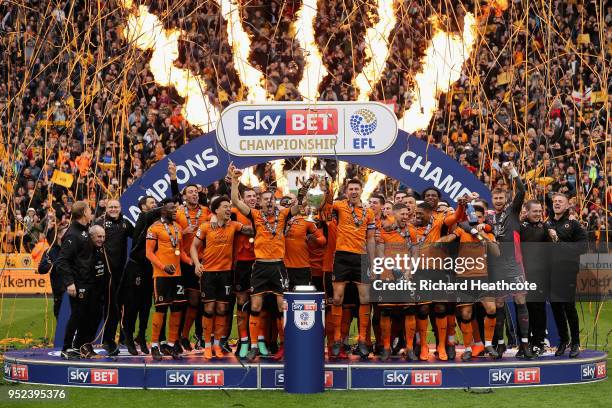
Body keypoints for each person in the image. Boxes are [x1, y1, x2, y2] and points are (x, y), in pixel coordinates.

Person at [229, 162, 301, 361]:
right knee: (256, 305)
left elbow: (300, 207)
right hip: (260, 265)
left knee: (281, 307)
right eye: (265, 199)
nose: (269, 202)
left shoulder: (284, 214)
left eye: (272, 199)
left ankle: (285, 346)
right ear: (260, 202)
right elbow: (235, 200)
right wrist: (235, 181)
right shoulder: (255, 215)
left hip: (278, 265)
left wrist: (303, 191)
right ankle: (253, 346)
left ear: (276, 201)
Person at [122, 161, 179, 355]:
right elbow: (171, 204)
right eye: (152, 203)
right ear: (143, 207)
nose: (155, 206)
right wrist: (169, 200)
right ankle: (128, 337)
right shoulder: (143, 218)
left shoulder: (158, 222)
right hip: (136, 267)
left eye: (156, 203)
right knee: (132, 305)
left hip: (152, 268)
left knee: (147, 306)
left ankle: (142, 337)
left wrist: (173, 178)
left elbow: (173, 202)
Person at [191, 195, 252, 359]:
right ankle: (207, 345)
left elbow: (252, 229)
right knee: (209, 309)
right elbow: (194, 247)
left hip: (226, 273)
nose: (228, 209)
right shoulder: (205, 226)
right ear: (216, 210)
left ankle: (218, 345)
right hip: (208, 273)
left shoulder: (234, 225)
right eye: (225, 206)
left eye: (229, 206)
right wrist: (197, 264)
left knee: (222, 309)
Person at [490, 162, 534, 359]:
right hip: (496, 267)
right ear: (491, 200)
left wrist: (513, 172)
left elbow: (522, 191)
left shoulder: (512, 211)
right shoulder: (489, 218)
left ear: (506, 199)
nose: (498, 200)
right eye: (495, 198)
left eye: (501, 197)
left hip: (515, 264)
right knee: (499, 304)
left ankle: (524, 345)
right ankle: (500, 344)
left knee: (520, 299)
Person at [329, 179, 377, 360]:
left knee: (365, 298)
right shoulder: (339, 206)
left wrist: (371, 262)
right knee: (337, 298)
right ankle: (336, 341)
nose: (354, 191)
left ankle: (363, 340)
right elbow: (324, 208)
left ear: (362, 190)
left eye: (357, 189)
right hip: (341, 256)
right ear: (346, 191)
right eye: (351, 189)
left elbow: (371, 238)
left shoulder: (369, 212)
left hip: (361, 257)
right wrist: (328, 189)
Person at [451, 204, 500, 360]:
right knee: (466, 313)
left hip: (482, 277)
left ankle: (488, 344)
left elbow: (497, 252)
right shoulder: (461, 230)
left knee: (491, 309)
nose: (475, 219)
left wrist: (481, 234)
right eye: (473, 216)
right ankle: (467, 348)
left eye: (479, 217)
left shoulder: (488, 233)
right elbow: (450, 239)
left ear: (483, 218)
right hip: (463, 278)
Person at [146, 199, 192, 360]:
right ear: (163, 209)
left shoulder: (178, 227)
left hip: (177, 275)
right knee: (160, 309)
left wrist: (192, 262)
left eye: (176, 209)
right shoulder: (154, 228)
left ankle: (172, 344)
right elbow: (149, 253)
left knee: (177, 309)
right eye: (172, 208)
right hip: (161, 275)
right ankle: (154, 345)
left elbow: (181, 252)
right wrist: (163, 266)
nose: (175, 211)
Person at [546, 192, 587, 358]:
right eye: (555, 201)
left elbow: (583, 247)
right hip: (550, 273)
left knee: (568, 306)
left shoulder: (574, 224)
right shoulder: (547, 223)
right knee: (556, 307)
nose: (556, 203)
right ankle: (564, 340)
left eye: (560, 201)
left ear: (567, 205)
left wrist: (559, 242)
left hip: (567, 272)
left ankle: (576, 342)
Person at [55, 201, 94, 360]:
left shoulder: (84, 231)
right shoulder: (72, 234)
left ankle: (78, 346)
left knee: (84, 316)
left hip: (87, 281)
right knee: (77, 315)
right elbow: (62, 261)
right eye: (90, 210)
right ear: (84, 212)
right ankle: (66, 347)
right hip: (78, 283)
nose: (91, 212)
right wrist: (70, 282)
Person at [95, 199, 134, 356]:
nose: (113, 209)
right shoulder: (99, 222)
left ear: (120, 208)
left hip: (120, 273)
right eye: (111, 207)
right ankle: (107, 340)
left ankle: (122, 337)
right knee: (109, 307)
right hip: (103, 273)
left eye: (116, 207)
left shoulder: (125, 223)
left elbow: (138, 236)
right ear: (106, 208)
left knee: (120, 305)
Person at [176, 184, 210, 352]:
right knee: (182, 303)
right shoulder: (178, 212)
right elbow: (171, 236)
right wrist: (182, 232)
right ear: (184, 196)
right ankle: (177, 337)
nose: (194, 194)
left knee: (198, 302)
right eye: (190, 192)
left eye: (196, 192)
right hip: (184, 261)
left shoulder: (206, 211)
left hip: (203, 261)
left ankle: (194, 336)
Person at [520, 200, 551, 356]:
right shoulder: (520, 227)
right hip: (522, 275)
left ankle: (539, 342)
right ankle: (525, 342)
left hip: (539, 275)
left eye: (540, 211)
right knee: (525, 309)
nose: (538, 214)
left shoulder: (545, 227)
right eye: (535, 211)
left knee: (538, 309)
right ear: (526, 211)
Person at [37, 225, 69, 318]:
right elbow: (41, 269)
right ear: (58, 235)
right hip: (59, 291)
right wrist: (52, 265)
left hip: (74, 290)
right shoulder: (50, 251)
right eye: (66, 233)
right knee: (61, 320)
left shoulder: (72, 249)